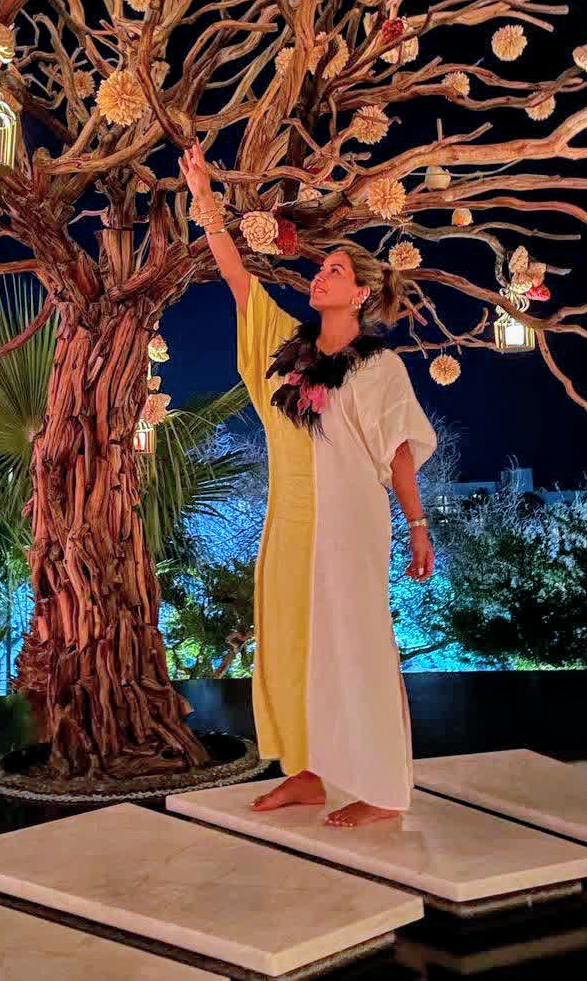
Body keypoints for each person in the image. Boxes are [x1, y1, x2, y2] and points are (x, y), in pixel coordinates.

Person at [179, 138, 437, 829]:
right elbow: (239, 280)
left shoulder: (379, 368)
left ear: (361, 293)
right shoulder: (285, 350)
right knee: (289, 639)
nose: (320, 277)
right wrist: (205, 200)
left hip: (350, 523)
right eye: (321, 267)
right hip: (289, 520)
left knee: (355, 644)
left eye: (335, 271)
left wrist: (417, 526)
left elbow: (399, 452)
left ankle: (381, 789)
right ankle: (308, 771)